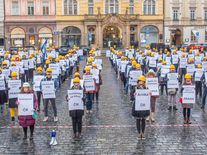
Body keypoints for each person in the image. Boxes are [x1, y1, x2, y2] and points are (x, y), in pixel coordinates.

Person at [132, 75, 150, 140]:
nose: (141, 83)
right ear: (138, 82)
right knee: (138, 120)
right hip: (137, 106)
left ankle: (143, 133)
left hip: (144, 106)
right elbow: (131, 96)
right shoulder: (135, 88)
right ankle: (139, 133)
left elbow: (148, 97)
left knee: (143, 120)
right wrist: (134, 95)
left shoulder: (147, 88)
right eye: (140, 82)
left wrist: (149, 94)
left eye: (142, 82)